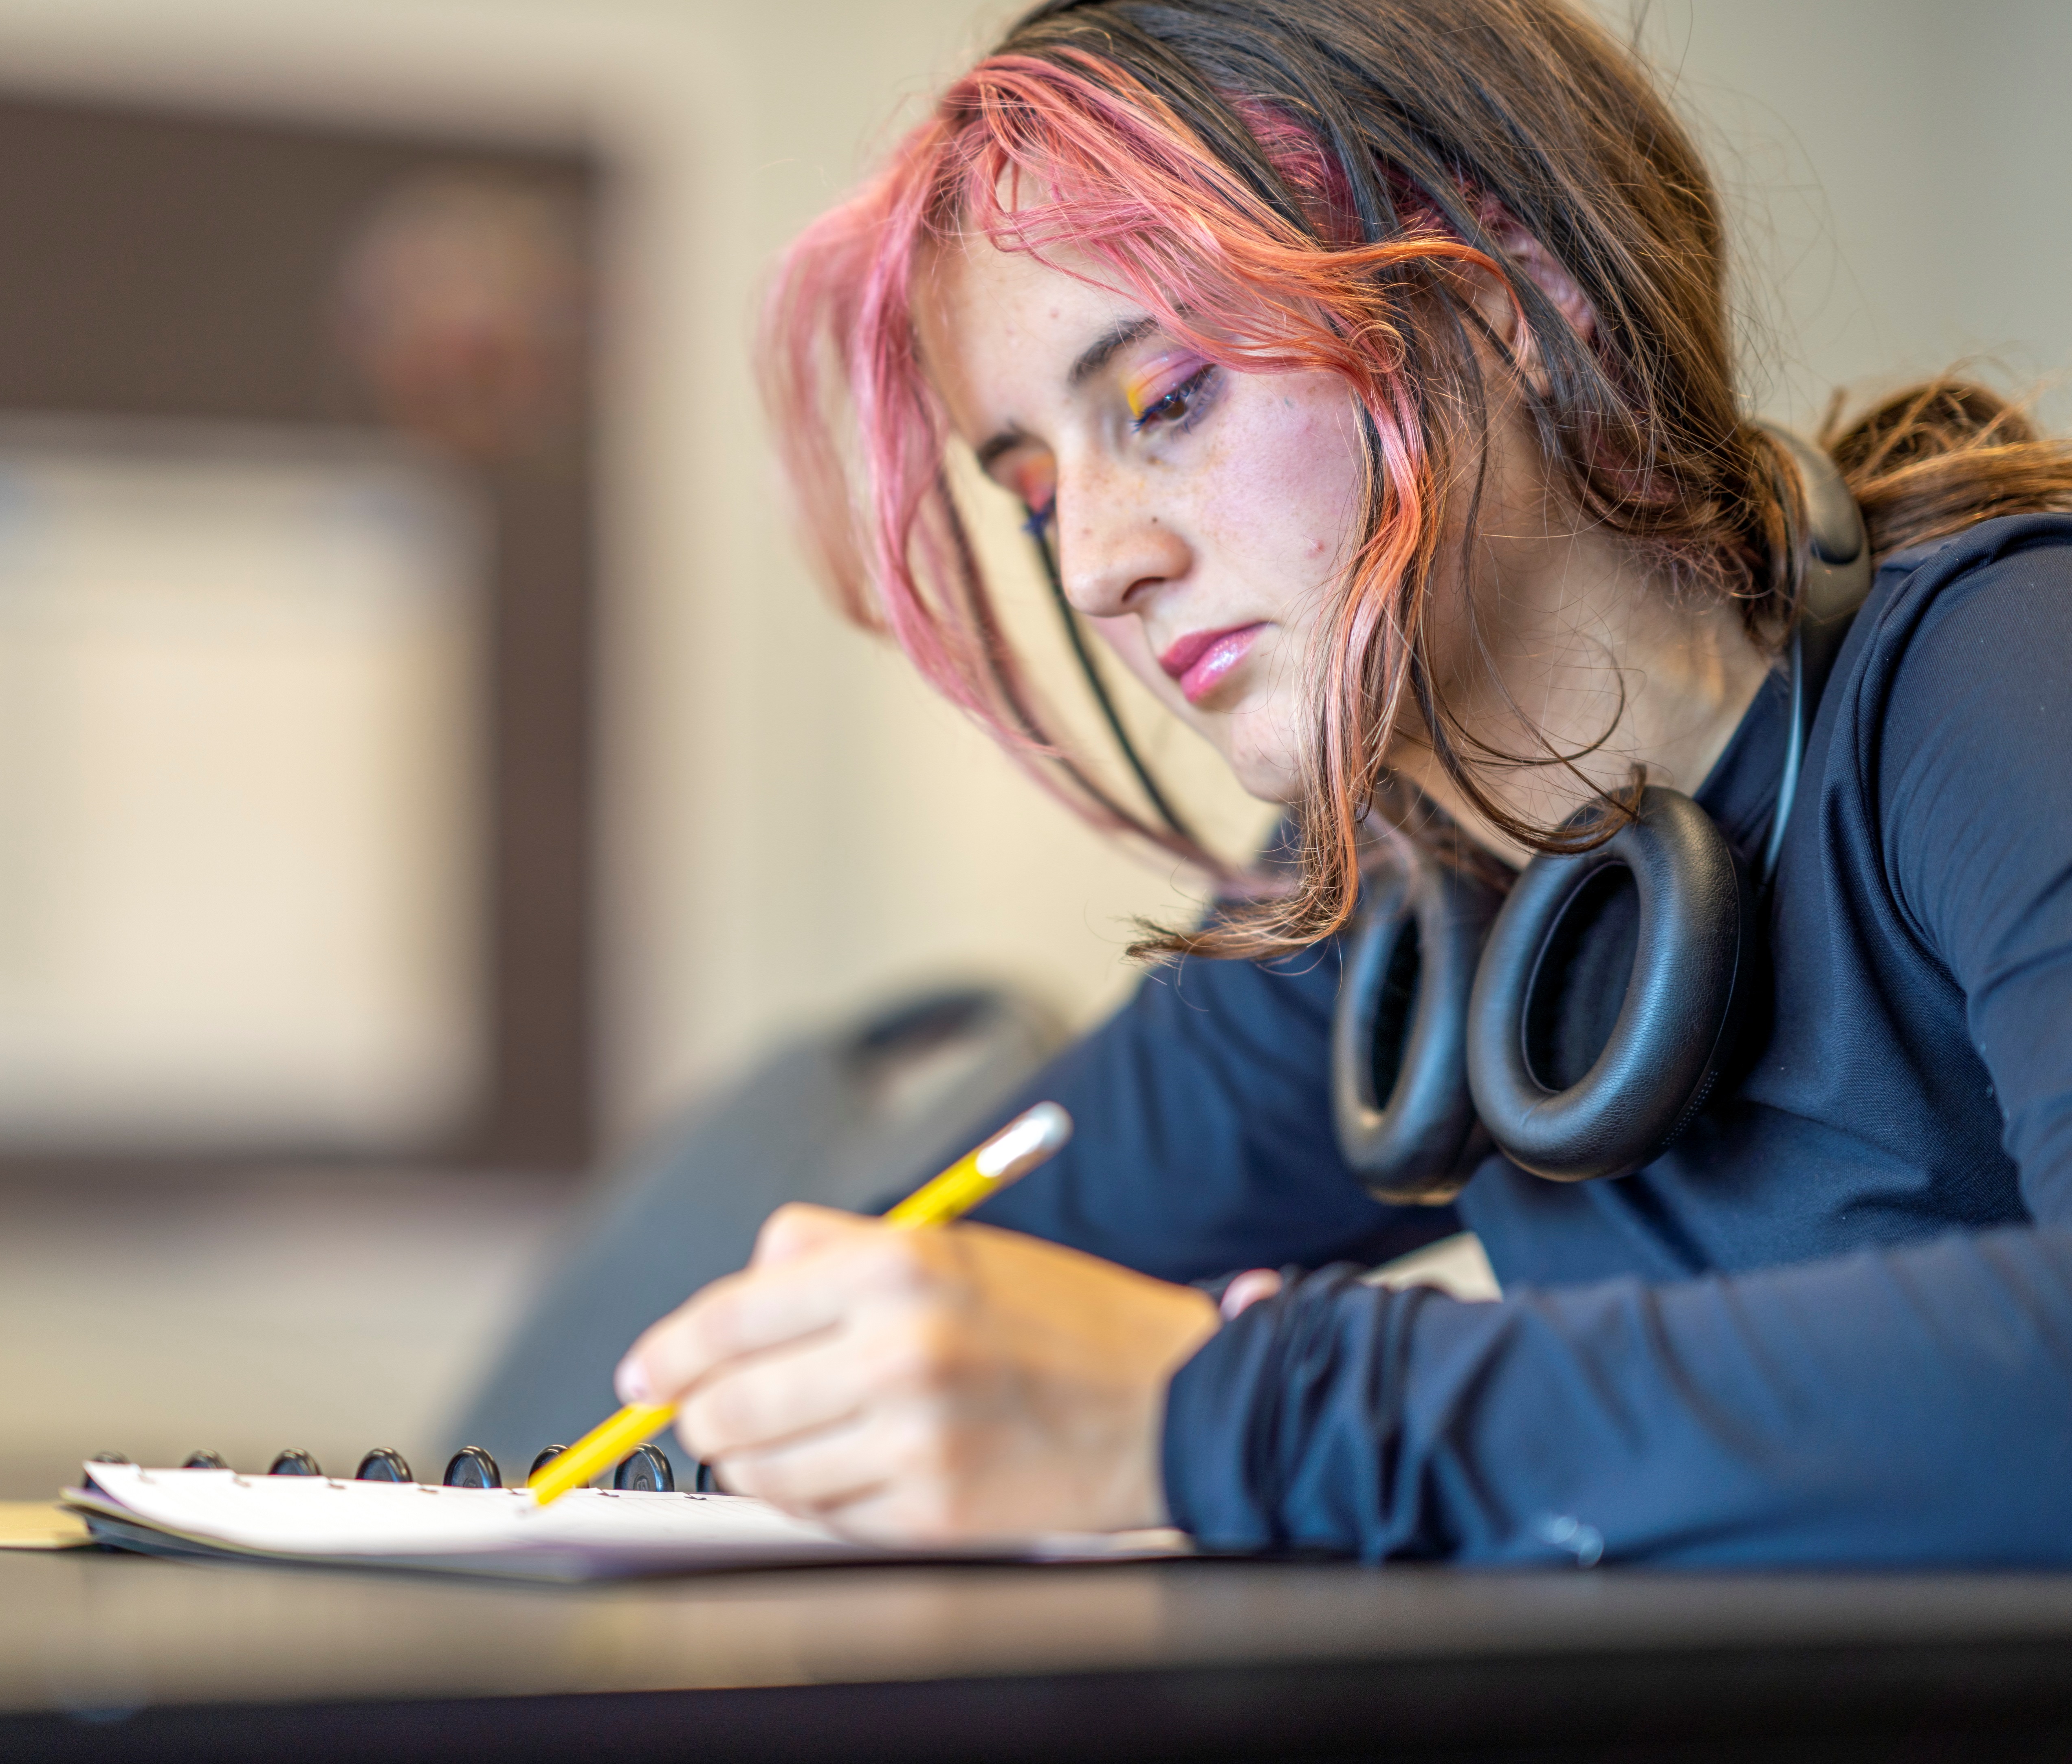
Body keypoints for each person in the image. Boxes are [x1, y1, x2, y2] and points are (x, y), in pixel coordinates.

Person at [611, 0, 2072, 1564]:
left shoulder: (2001, 665)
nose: (1100, 565)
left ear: (1514, 292)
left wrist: (1234, 1413)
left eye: (1171, 398)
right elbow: (897, 1303)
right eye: (1038, 498)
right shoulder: (1395, 905)